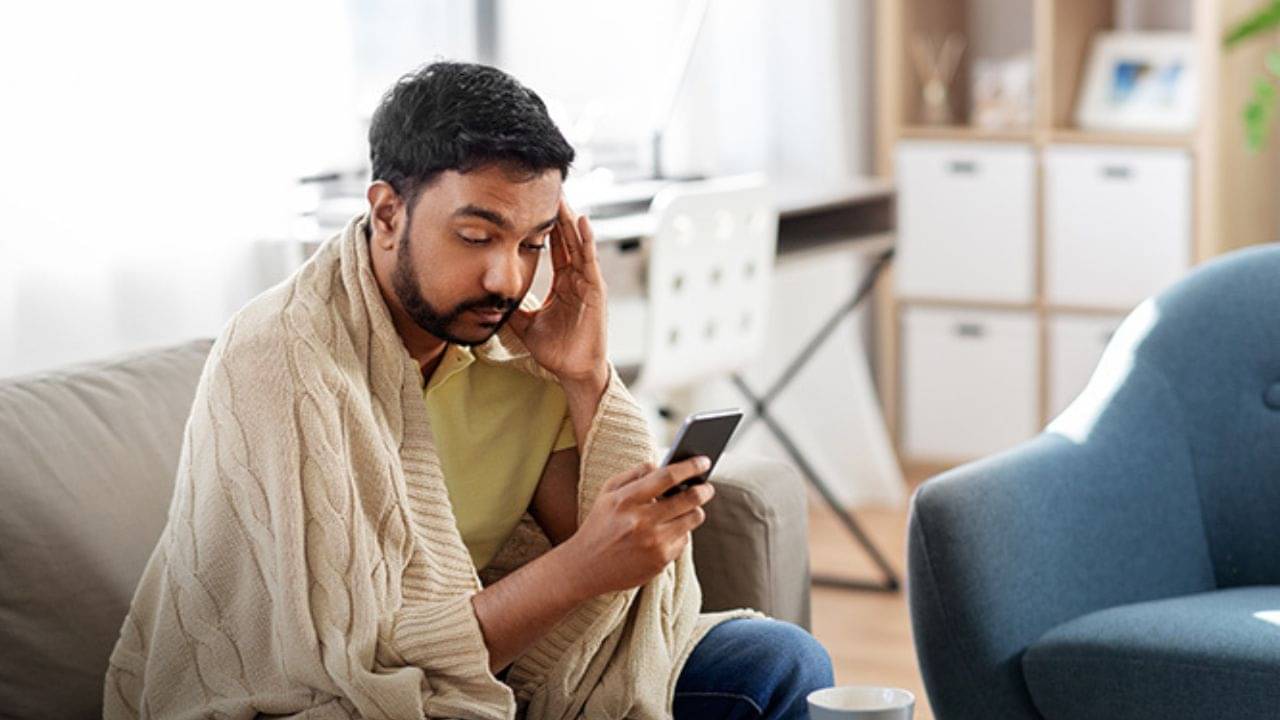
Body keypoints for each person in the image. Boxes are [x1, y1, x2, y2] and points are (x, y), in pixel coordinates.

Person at [104, 61, 831, 719]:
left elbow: (611, 584)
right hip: (342, 699)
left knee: (783, 664)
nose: (508, 280)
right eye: (477, 236)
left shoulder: (515, 351)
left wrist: (587, 377)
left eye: (532, 243)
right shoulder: (281, 361)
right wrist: (580, 570)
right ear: (387, 213)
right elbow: (358, 669)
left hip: (502, 675)